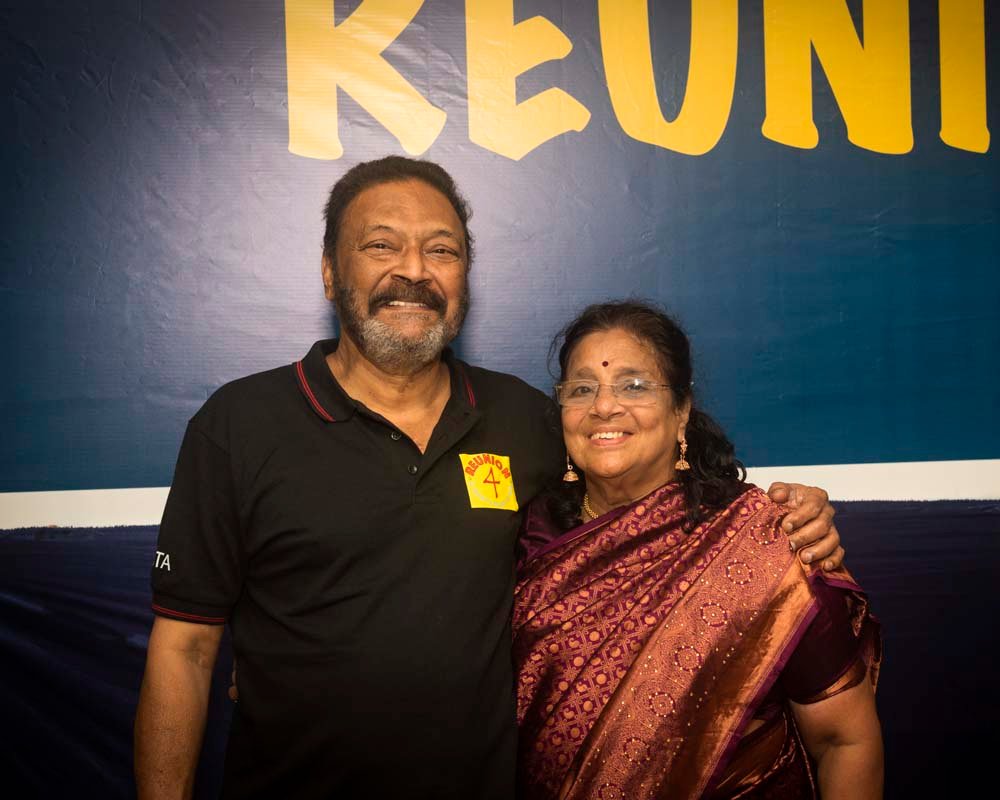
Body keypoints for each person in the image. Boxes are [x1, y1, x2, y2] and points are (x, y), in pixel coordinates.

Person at [134, 157, 843, 800]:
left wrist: (787, 518)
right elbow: (185, 650)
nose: (414, 271)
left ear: (465, 279)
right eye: (381, 245)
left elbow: (644, 514)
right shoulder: (240, 425)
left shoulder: (526, 420)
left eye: (442, 250)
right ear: (328, 272)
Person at [513, 301, 883, 799]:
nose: (603, 407)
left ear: (681, 411)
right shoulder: (530, 533)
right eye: (582, 389)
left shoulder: (762, 542)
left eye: (634, 385)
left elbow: (845, 741)